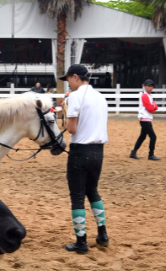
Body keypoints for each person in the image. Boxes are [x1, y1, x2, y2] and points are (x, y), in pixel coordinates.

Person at [59, 64, 109, 254]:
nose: (68, 84)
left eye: (69, 80)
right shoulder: (101, 97)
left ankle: (81, 241)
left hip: (80, 150)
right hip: (98, 151)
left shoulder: (76, 96)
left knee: (77, 196)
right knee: (93, 191)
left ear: (75, 77)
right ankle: (102, 234)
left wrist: (65, 113)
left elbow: (72, 129)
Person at [129, 79, 160, 160]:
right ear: (145, 86)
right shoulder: (145, 96)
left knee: (142, 137)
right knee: (153, 137)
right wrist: (153, 108)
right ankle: (151, 155)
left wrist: (153, 107)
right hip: (145, 119)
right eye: (148, 86)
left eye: (151, 86)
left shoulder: (148, 96)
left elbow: (154, 106)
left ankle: (133, 152)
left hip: (146, 119)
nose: (150, 88)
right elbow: (151, 108)